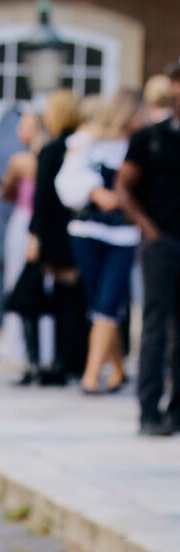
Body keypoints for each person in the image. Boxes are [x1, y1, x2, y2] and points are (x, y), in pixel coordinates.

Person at [55, 88, 144, 394]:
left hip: (125, 234)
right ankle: (117, 369)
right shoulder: (88, 142)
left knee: (108, 302)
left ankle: (91, 376)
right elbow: (66, 182)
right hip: (89, 230)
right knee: (99, 304)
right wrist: (95, 192)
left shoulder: (138, 146)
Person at [117, 61, 180, 435]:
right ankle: (148, 411)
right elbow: (123, 186)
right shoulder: (149, 139)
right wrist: (147, 228)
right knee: (156, 326)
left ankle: (177, 412)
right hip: (160, 243)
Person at [26, 89, 86, 384]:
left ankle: (61, 362)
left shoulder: (51, 150)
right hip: (79, 230)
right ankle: (73, 360)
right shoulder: (85, 146)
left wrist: (34, 235)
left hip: (55, 232)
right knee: (74, 298)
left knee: (59, 299)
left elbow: (41, 200)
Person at [0, 112, 44, 381]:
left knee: (18, 283)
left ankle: (19, 349)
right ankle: (43, 351)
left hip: (23, 222)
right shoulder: (51, 157)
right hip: (44, 225)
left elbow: (7, 192)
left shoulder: (20, 161)